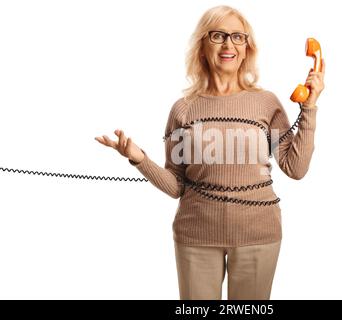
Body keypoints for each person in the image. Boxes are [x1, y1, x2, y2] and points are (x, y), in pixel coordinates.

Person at [95, 5, 325, 300]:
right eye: (218, 35)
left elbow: (296, 168)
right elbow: (176, 185)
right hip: (196, 237)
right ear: (203, 46)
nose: (229, 44)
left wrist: (310, 106)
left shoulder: (267, 104)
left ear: (246, 48)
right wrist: (139, 159)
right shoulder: (183, 109)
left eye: (238, 37)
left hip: (258, 235)